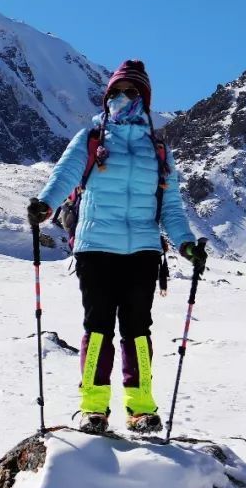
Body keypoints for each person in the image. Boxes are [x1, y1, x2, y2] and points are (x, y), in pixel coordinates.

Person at [27, 59, 208, 434]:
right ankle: (93, 407)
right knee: (97, 329)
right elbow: (65, 174)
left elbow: (170, 207)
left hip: (142, 250)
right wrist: (45, 205)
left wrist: (187, 245)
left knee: (137, 330)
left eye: (132, 92)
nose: (124, 97)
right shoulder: (92, 138)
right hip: (95, 248)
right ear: (107, 96)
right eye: (118, 92)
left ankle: (140, 408)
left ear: (144, 98)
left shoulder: (158, 151)